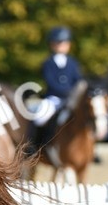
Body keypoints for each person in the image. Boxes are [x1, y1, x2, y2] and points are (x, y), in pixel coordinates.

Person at [26, 26, 83, 154]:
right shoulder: (48, 63)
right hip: (53, 99)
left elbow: (77, 80)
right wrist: (66, 92)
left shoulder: (73, 63)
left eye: (65, 42)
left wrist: (73, 93)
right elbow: (51, 82)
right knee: (39, 117)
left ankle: (92, 149)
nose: (62, 45)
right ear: (52, 44)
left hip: (70, 99)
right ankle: (33, 146)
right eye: (59, 42)